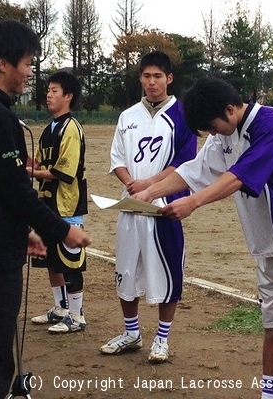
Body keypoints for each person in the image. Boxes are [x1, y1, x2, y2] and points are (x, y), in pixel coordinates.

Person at [135, 77, 273, 399]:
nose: (213, 135)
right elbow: (195, 170)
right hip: (265, 245)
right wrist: (150, 192)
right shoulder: (224, 134)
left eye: (213, 127)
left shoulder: (271, 123)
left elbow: (239, 176)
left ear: (229, 109)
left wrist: (193, 202)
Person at [0, 20, 91, 399]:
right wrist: (63, 230)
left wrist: (20, 231)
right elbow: (17, 192)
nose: (30, 73)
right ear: (3, 64)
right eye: (27, 63)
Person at [100, 51, 197, 363]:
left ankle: (162, 338)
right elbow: (117, 159)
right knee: (126, 272)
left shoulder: (183, 116)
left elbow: (185, 163)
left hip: (163, 208)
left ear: (169, 78)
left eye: (158, 76)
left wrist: (150, 185)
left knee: (166, 274)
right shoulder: (127, 116)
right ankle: (131, 333)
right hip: (129, 207)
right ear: (140, 78)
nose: (152, 82)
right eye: (146, 76)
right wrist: (131, 182)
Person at [27, 71, 89, 333]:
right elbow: (39, 162)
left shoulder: (71, 129)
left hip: (68, 206)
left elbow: (64, 172)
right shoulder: (48, 129)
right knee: (51, 260)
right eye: (48, 90)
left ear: (68, 96)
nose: (49, 95)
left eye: (54, 91)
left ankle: (76, 316)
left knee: (70, 262)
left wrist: (30, 172)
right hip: (48, 205)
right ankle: (60, 308)